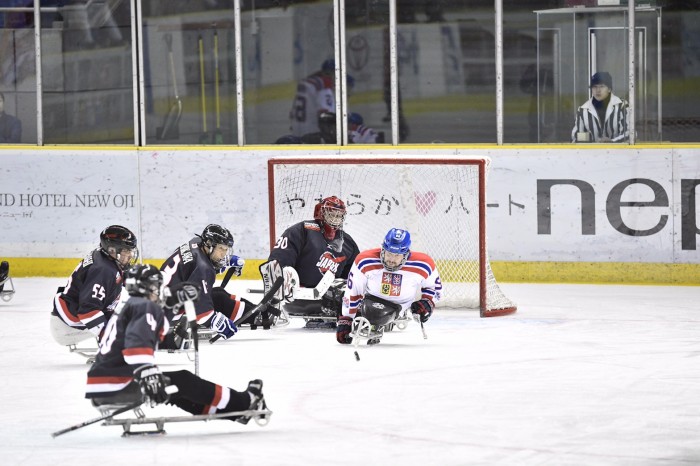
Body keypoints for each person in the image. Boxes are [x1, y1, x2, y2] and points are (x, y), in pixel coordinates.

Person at [86, 264, 267, 425]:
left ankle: (234, 411)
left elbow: (152, 328)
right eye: (156, 286)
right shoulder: (143, 307)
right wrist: (148, 373)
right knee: (183, 380)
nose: (159, 291)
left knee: (178, 389)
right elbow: (136, 344)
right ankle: (246, 402)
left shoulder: (133, 305)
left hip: (104, 385)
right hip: (117, 386)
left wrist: (172, 302)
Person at [260, 195, 360, 329]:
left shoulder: (348, 242)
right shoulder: (302, 230)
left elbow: (356, 277)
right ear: (321, 213)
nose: (335, 219)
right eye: (331, 214)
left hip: (334, 300)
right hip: (299, 298)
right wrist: (282, 280)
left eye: (339, 215)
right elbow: (278, 260)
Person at [336, 227, 442, 345]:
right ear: (383, 249)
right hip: (371, 300)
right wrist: (346, 319)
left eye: (397, 255)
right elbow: (353, 290)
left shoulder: (423, 264)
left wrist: (427, 302)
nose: (391, 259)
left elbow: (435, 288)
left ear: (406, 254)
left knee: (375, 313)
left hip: (401, 306)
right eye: (389, 253)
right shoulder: (365, 260)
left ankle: (376, 321)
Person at [159, 224, 253, 342]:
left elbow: (194, 269)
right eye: (221, 249)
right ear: (208, 244)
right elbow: (201, 311)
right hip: (168, 316)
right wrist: (216, 322)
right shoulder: (204, 268)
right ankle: (256, 316)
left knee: (218, 292)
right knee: (220, 299)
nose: (224, 254)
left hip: (163, 299)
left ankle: (255, 310)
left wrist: (226, 263)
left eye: (226, 249)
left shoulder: (195, 243)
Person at [50, 225, 138, 347]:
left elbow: (119, 275)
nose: (130, 256)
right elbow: (88, 310)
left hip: (68, 317)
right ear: (112, 250)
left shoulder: (105, 256)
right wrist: (109, 338)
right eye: (126, 251)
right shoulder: (103, 270)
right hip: (69, 327)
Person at [289, 59, 354, 137]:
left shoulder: (306, 84)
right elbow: (326, 116)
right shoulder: (323, 86)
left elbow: (292, 113)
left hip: (297, 131)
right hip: (313, 134)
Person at [571, 71, 629, 143]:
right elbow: (575, 137)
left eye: (602, 86)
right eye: (594, 87)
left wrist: (612, 142)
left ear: (609, 89)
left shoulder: (622, 106)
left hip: (618, 153)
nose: (598, 90)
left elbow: (629, 134)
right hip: (591, 154)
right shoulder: (583, 110)